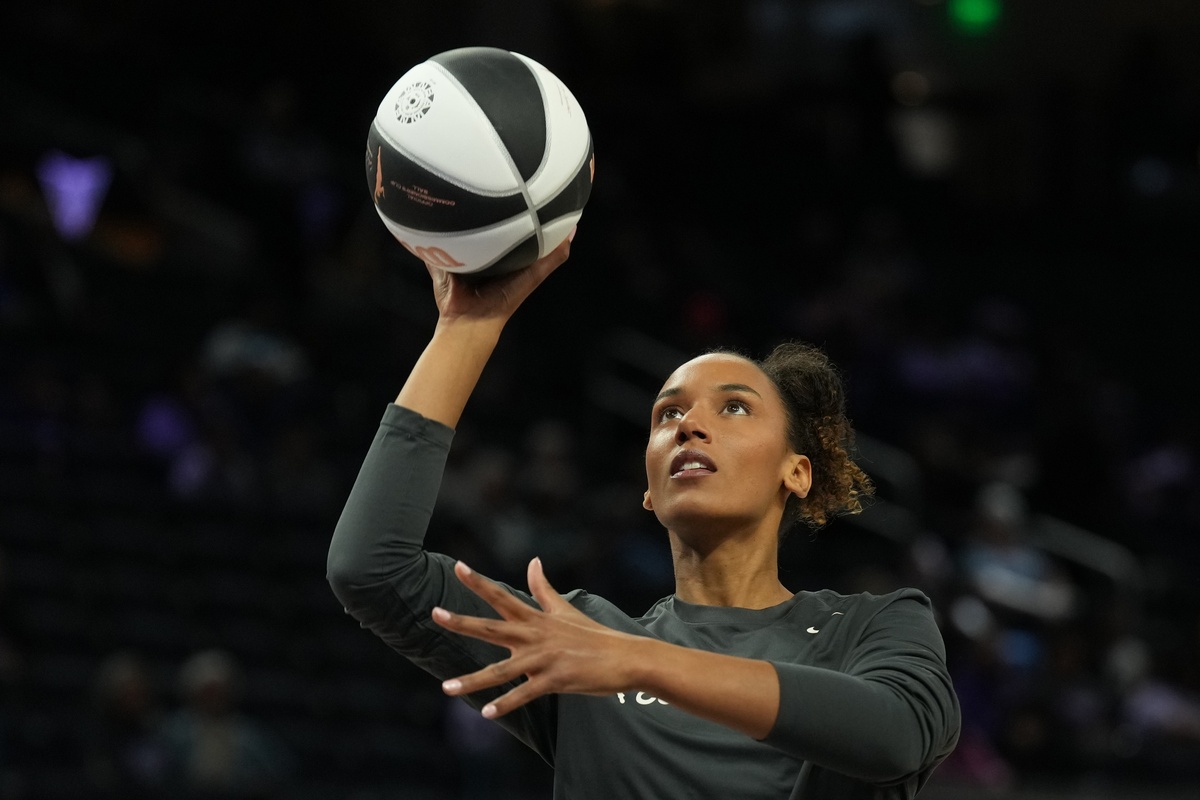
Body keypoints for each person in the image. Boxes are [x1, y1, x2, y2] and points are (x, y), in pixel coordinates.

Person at [326, 233, 961, 799]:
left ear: (796, 472)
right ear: (650, 490)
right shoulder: (578, 643)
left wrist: (639, 662)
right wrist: (466, 329)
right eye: (667, 415)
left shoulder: (872, 624)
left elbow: (897, 735)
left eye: (734, 408)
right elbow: (371, 568)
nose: (690, 426)